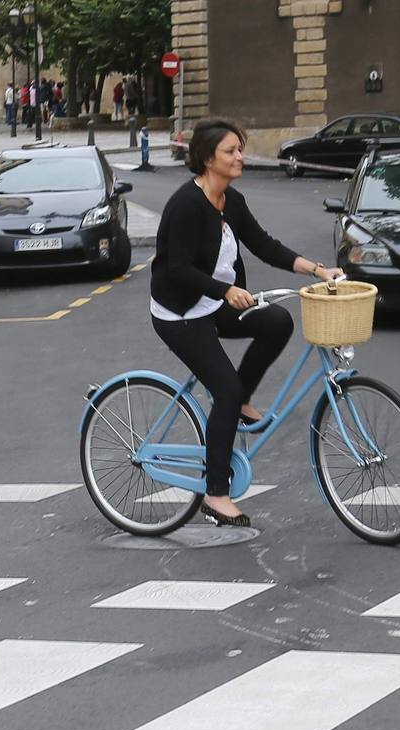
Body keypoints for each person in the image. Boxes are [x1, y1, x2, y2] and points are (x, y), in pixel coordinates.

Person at [150, 119, 343, 527]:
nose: (240, 156)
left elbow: (264, 244)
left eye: (240, 149)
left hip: (212, 301)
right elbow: (177, 269)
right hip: (181, 312)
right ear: (207, 159)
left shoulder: (230, 201)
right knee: (225, 385)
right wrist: (224, 291)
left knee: (277, 321)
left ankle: (238, 403)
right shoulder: (186, 205)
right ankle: (217, 495)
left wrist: (316, 270)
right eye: (231, 151)